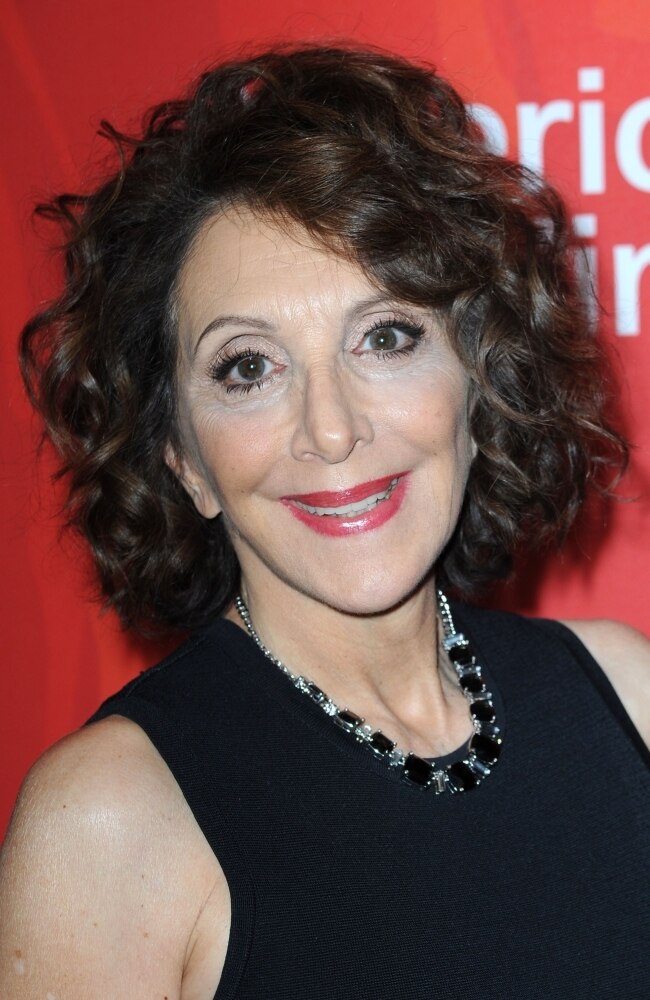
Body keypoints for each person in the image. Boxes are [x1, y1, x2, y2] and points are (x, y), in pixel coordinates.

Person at [1, 44, 648, 1000]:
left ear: (478, 383)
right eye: (248, 368)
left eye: (385, 337)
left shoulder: (624, 696)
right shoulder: (112, 819)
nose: (333, 429)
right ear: (182, 456)